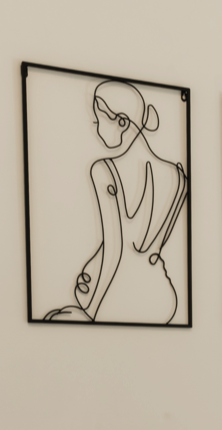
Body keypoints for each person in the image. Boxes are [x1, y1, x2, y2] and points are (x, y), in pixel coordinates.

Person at [44, 80, 187, 324]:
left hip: (117, 293)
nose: (96, 127)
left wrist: (92, 313)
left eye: (99, 120)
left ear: (122, 122)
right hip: (163, 295)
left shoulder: (104, 170)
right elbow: (145, 246)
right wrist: (92, 268)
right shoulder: (178, 175)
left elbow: (115, 249)